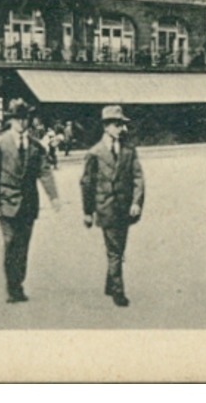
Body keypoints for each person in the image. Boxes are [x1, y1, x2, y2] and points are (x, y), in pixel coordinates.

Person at [0, 99, 60, 303]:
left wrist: (53, 196)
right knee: (11, 243)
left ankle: (18, 283)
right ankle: (12, 287)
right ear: (11, 121)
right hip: (6, 203)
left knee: (23, 246)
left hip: (28, 205)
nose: (22, 123)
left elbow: (45, 172)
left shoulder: (36, 146)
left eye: (25, 118)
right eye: (17, 119)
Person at [80, 104, 145, 308]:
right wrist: (87, 212)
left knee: (119, 247)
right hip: (105, 207)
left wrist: (136, 202)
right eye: (117, 125)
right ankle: (118, 290)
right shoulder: (95, 153)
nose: (121, 129)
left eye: (122, 125)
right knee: (115, 250)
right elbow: (87, 183)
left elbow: (138, 177)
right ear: (106, 127)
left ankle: (110, 283)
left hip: (125, 209)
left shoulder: (128, 150)